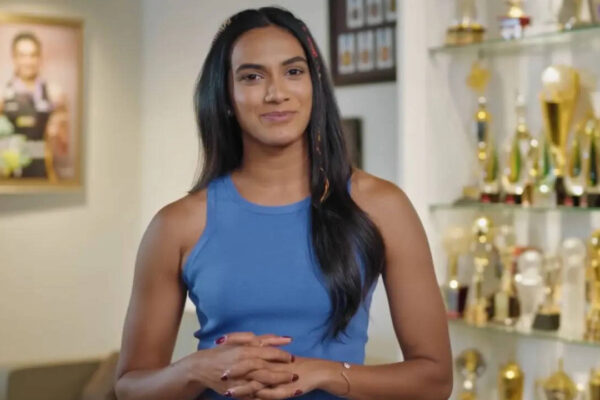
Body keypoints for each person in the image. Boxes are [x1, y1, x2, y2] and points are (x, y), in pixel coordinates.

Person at [115, 7, 452, 400]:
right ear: (226, 96)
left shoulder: (382, 207)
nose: (276, 93)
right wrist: (193, 369)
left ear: (315, 85)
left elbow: (435, 380)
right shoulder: (176, 225)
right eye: (252, 76)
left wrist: (323, 373)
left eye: (293, 71)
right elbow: (129, 387)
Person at [0, 31, 69, 179]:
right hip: (9, 176)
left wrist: (58, 130)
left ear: (40, 58)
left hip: (44, 174)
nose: (28, 61)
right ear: (14, 58)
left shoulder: (54, 93)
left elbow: (63, 145)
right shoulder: (3, 95)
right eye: (23, 55)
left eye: (33, 55)